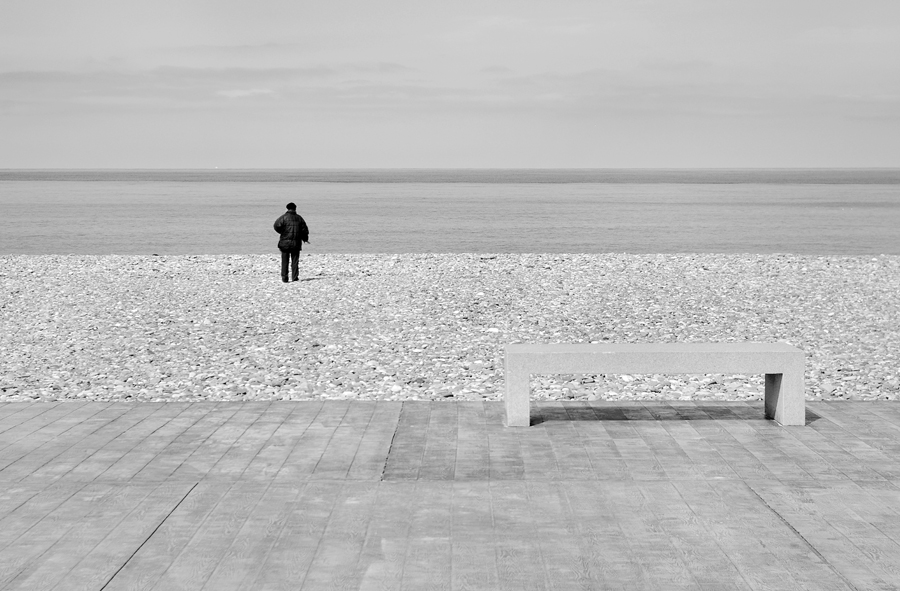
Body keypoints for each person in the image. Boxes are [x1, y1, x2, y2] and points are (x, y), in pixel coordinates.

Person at [273, 202, 309, 282]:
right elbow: (304, 230)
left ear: (287, 208)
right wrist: (305, 238)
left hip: (285, 242)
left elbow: (276, 226)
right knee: (295, 261)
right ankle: (295, 277)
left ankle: (285, 278)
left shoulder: (283, 217)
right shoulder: (299, 218)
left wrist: (282, 232)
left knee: (285, 261)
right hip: (296, 243)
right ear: (295, 208)